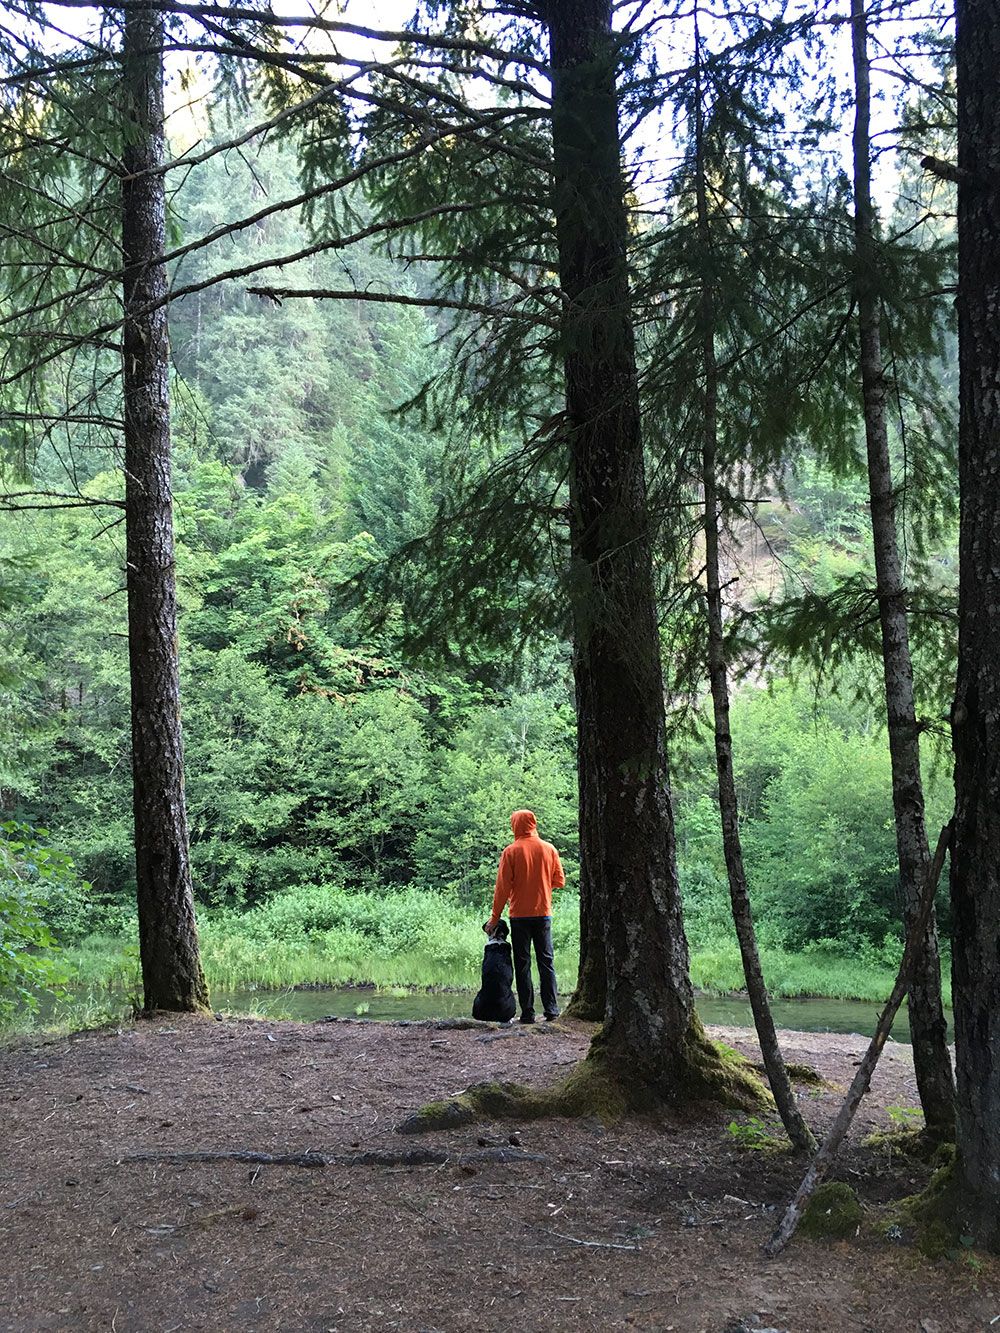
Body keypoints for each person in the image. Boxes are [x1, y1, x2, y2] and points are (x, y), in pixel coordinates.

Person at [484, 809, 564, 1024]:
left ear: (515, 825)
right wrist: (541, 884)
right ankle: (552, 1010)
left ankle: (527, 1013)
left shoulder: (511, 851)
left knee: (523, 963)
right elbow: (559, 881)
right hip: (543, 912)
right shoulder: (549, 849)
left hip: (519, 915)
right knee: (546, 962)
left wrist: (494, 918)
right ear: (533, 823)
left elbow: (502, 888)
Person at [472, 919, 517, 1023]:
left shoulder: (488, 949)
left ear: (492, 932)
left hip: (482, 1014)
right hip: (505, 1014)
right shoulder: (506, 949)